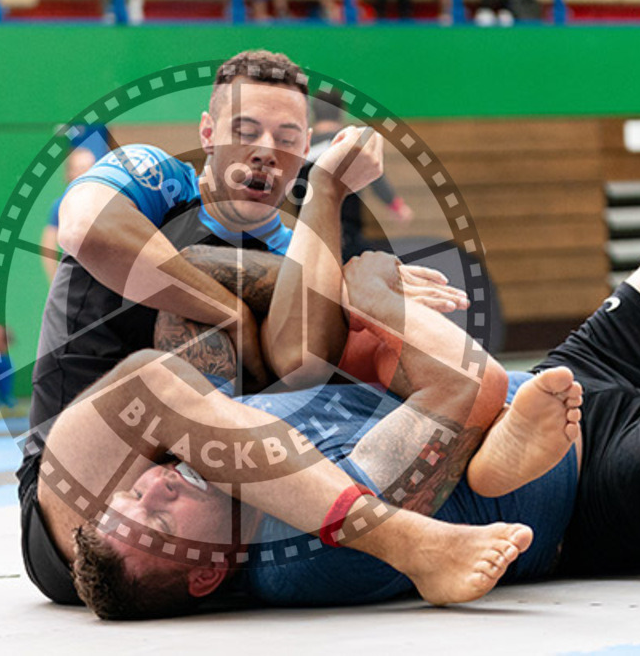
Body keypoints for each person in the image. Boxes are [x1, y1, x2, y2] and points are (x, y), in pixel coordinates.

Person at [64, 184, 640, 616]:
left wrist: (306, 298)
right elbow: (464, 384)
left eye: (134, 496)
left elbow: (198, 311)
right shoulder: (310, 548)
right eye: (158, 520)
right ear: (208, 573)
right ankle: (494, 461)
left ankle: (493, 455)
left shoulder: (220, 450)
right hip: (600, 492)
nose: (154, 488)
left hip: (570, 375)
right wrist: (371, 295)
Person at [20, 50, 392, 601]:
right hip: (83, 495)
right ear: (208, 132)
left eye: (287, 138)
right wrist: (229, 313)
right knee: (179, 339)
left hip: (205, 508)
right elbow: (82, 228)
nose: (265, 151)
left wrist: (327, 195)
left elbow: (303, 364)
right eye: (246, 131)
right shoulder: (154, 179)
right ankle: (406, 542)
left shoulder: (294, 250)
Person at [295, 88, 412, 261]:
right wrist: (396, 205)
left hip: (308, 235)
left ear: (314, 113)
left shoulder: (300, 148)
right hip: (347, 234)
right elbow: (377, 178)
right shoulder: (349, 145)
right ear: (341, 113)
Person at [41, 125, 112, 283]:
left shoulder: (108, 202)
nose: (86, 174)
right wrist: (56, 283)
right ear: (70, 173)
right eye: (80, 169)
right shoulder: (61, 206)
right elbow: (48, 245)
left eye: (90, 168)